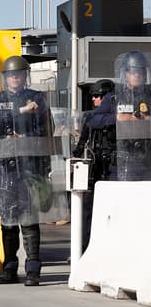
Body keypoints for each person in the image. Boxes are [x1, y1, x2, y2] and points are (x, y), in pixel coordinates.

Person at [0, 55, 53, 286]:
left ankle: (33, 269)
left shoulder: (38, 97)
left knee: (29, 218)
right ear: (5, 78)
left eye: (18, 74)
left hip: (30, 164)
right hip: (5, 166)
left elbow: (46, 125)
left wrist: (26, 136)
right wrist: (22, 111)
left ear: (25, 76)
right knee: (8, 218)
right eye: (11, 75)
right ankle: (9, 268)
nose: (15, 78)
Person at [72, 78, 115, 253]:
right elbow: (82, 143)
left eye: (97, 96)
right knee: (87, 209)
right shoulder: (91, 118)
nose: (94, 99)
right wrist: (75, 156)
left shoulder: (115, 116)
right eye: (94, 96)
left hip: (112, 167)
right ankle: (83, 247)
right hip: (94, 168)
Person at [113, 50, 151, 181]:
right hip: (125, 155)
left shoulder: (149, 94)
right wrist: (118, 118)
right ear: (125, 73)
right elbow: (93, 119)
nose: (136, 75)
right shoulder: (115, 95)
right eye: (132, 71)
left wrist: (146, 119)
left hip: (147, 155)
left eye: (139, 71)